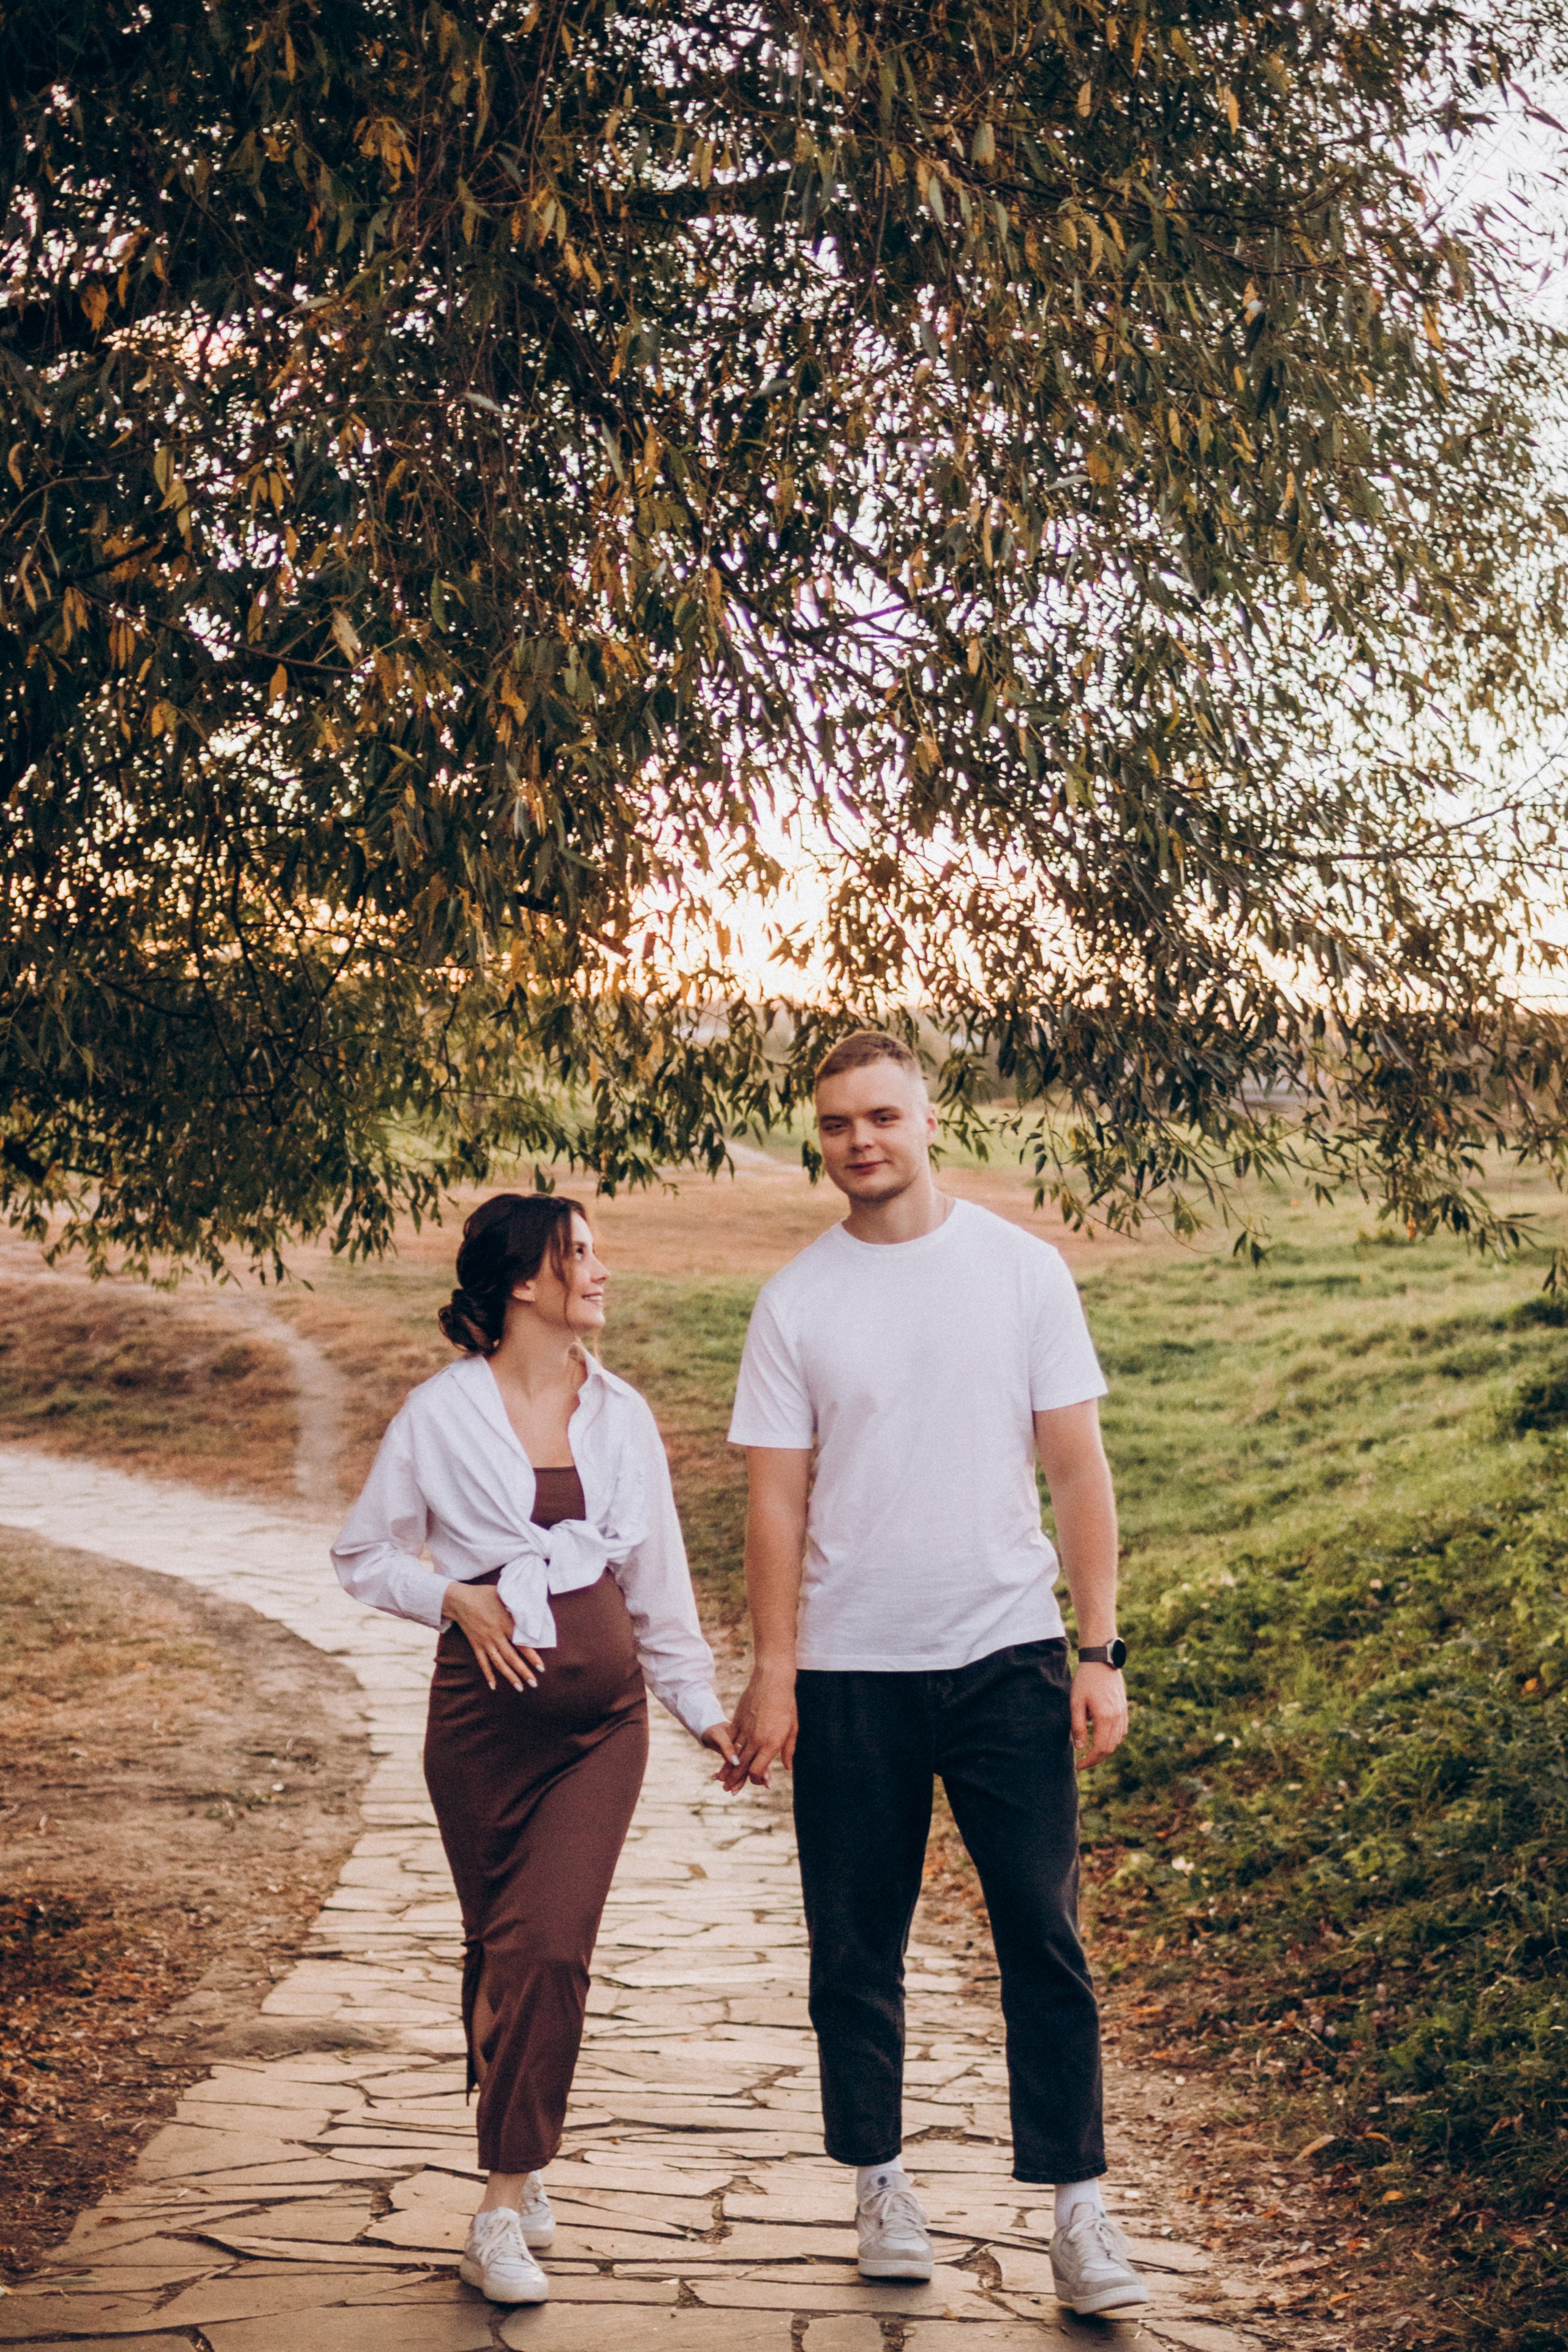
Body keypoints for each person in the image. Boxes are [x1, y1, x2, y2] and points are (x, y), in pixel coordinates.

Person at [718, 1030, 1148, 2320]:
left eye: (882, 1116)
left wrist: (1097, 1648)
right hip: (850, 1673)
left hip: (1005, 1659)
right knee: (854, 1949)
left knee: (1043, 1937)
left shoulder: (1019, 1272)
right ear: (820, 1136)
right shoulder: (795, 1301)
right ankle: (881, 2185)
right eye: (839, 1122)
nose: (861, 1140)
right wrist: (774, 1671)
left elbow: (1076, 1471)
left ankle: (1078, 2214)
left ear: (928, 1118)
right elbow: (775, 1508)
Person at [333, 1193, 737, 2307]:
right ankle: (525, 2144)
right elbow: (363, 1554)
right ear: (523, 1281)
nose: (602, 1272)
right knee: (496, 1951)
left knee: (546, 1949)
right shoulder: (438, 1413)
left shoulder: (623, 1416)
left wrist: (705, 1713)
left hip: (600, 1730)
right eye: (581, 1254)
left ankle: (500, 2207)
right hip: (480, 1731)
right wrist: (453, 1597)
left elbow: (659, 1595)